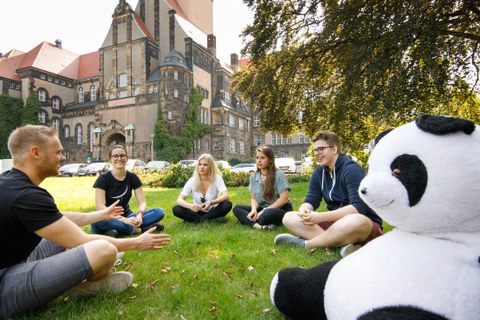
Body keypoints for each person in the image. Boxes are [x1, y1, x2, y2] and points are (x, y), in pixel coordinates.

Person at [0, 125, 171, 318]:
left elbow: (59, 218)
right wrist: (135, 243)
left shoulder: (9, 182)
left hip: (16, 261)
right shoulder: (26, 194)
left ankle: (78, 272)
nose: (63, 158)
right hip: (4, 283)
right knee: (104, 249)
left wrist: (101, 215)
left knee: (89, 241)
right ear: (36, 153)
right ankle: (85, 286)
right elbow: (80, 240)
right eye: (58, 152)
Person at [274, 130, 382, 257]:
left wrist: (321, 217)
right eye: (315, 150)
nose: (317, 154)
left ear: (334, 149)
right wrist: (304, 210)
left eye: (320, 149)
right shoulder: (319, 173)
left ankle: (306, 244)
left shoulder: (352, 170)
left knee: (356, 220)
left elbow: (358, 208)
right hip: (335, 224)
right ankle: (342, 246)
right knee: (289, 217)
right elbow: (311, 199)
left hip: (364, 224)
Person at [90, 145, 165, 238]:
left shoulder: (132, 177)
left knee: (159, 212)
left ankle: (116, 231)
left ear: (127, 158)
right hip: (108, 218)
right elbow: (100, 207)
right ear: (110, 159)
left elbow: (142, 202)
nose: (119, 158)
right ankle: (140, 230)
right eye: (115, 156)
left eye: (122, 156)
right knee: (96, 220)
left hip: (128, 216)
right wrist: (123, 220)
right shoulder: (103, 178)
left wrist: (139, 216)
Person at [233, 146, 292, 231]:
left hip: (279, 209)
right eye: (257, 158)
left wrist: (264, 211)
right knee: (237, 208)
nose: (259, 161)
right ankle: (259, 226)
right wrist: (253, 210)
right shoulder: (254, 176)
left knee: (265, 215)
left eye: (262, 158)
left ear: (270, 160)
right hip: (262, 208)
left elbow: (284, 199)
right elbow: (253, 199)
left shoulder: (279, 175)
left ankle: (246, 220)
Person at [173, 153, 232, 222]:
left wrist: (211, 202)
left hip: (211, 210)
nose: (202, 167)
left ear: (211, 167)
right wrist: (191, 206)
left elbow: (226, 195)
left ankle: (196, 219)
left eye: (205, 165)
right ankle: (207, 219)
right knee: (176, 209)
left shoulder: (217, 179)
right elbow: (179, 200)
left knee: (227, 204)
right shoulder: (192, 180)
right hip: (196, 211)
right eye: (200, 164)